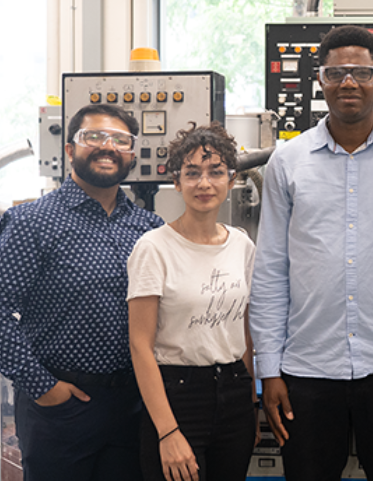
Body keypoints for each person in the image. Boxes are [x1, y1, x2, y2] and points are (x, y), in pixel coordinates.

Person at [250, 24, 373, 481]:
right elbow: (271, 271)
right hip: (306, 369)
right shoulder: (288, 160)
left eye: (361, 72)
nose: (349, 82)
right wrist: (270, 369)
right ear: (319, 80)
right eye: (336, 73)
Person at [0, 104, 163, 481]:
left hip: (133, 405)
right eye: (94, 137)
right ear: (69, 150)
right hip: (60, 406)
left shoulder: (149, 228)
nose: (108, 146)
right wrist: (43, 387)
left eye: (121, 140)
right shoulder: (31, 223)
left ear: (132, 155)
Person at [127, 123, 257, 481]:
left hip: (233, 393)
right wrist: (167, 432)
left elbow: (243, 329)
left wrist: (248, 403)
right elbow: (140, 345)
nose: (204, 183)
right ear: (176, 181)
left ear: (231, 181)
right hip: (177, 395)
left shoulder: (242, 245)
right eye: (192, 173)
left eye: (216, 173)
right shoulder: (154, 248)